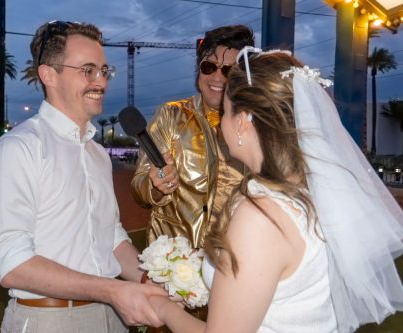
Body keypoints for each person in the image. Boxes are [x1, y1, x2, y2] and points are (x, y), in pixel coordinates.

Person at [148, 48, 403, 332]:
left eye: (225, 113)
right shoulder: (313, 190)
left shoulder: (261, 217)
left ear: (243, 121)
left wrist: (162, 308)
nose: (222, 124)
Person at [0, 21, 166, 333]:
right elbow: (12, 263)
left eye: (104, 70)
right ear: (49, 75)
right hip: (48, 320)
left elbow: (111, 239)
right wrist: (111, 290)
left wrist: (152, 281)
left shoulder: (97, 155)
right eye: (88, 70)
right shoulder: (19, 149)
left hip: (113, 318)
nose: (101, 82)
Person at [131, 25, 255, 249]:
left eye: (228, 71)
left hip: (230, 262)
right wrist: (155, 185)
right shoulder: (171, 115)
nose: (217, 77)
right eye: (209, 66)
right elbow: (140, 186)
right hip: (173, 262)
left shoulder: (255, 127)